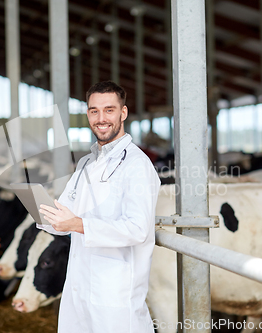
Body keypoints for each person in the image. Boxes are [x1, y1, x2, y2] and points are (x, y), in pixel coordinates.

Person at [38, 81, 160, 333]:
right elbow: (66, 217)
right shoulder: (86, 162)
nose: (101, 118)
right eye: (94, 111)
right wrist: (44, 213)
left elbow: (138, 228)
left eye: (109, 110)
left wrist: (77, 224)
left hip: (115, 295)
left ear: (123, 113)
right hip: (79, 288)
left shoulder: (137, 165)